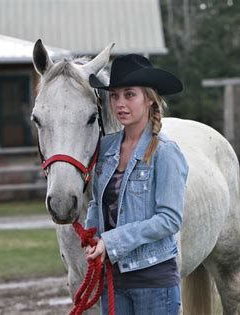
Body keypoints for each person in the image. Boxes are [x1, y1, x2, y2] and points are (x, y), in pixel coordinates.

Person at [85, 54, 188, 315]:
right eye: (114, 96)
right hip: (113, 280)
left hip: (153, 281)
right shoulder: (106, 148)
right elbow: (97, 202)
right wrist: (92, 235)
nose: (119, 103)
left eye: (129, 95)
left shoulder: (165, 152)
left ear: (149, 98)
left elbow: (169, 220)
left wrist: (112, 241)